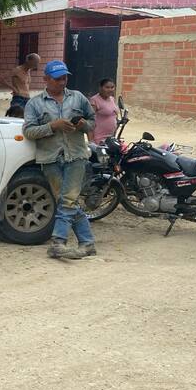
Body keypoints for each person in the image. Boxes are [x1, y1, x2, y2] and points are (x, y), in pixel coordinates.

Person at [23, 60, 96, 260]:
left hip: (76, 156)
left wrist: (82, 125)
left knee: (67, 200)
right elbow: (28, 131)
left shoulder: (78, 98)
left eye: (64, 78)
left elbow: (92, 123)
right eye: (57, 79)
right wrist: (53, 126)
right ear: (46, 79)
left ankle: (58, 242)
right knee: (66, 201)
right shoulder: (35, 103)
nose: (62, 82)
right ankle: (87, 242)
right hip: (50, 158)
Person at [88, 78, 120, 144]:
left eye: (112, 87)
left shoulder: (112, 99)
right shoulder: (94, 100)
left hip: (111, 137)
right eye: (107, 87)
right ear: (100, 88)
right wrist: (91, 142)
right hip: (99, 138)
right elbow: (90, 122)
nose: (110, 90)